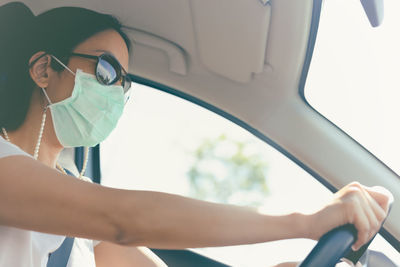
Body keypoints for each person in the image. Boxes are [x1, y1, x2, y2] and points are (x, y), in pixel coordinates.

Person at [0, 2, 392, 267]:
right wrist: (304, 221)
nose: (115, 93)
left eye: (124, 86)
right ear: (43, 70)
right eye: (106, 72)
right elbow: (122, 216)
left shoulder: (85, 229)